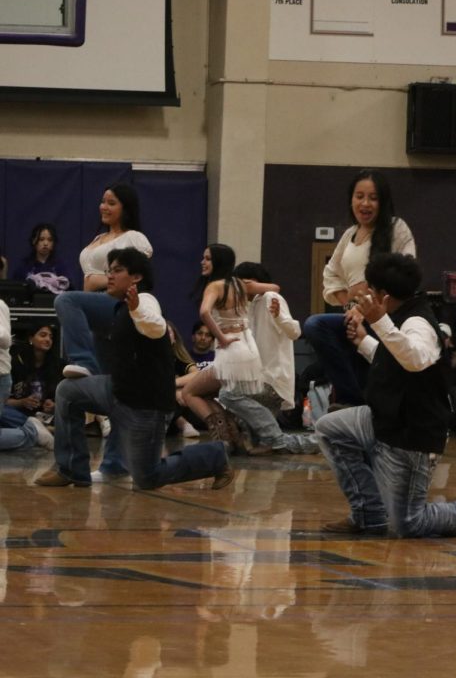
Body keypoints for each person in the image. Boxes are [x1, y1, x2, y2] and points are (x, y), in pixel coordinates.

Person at [317, 253, 456, 537]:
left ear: (382, 294)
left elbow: (415, 359)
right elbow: (397, 360)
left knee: (409, 523)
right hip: (385, 420)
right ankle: (369, 514)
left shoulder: (418, 323)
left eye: (369, 288)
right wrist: (362, 341)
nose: (364, 294)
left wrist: (380, 322)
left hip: (412, 435)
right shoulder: (400, 314)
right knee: (330, 429)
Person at [34, 248, 233, 490]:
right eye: (109, 271)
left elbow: (156, 327)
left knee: (147, 478)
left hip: (145, 407)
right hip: (117, 391)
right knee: (68, 391)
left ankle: (216, 456)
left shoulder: (147, 302)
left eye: (117, 271)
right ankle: (72, 469)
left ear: (136, 277)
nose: (109, 276)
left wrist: (137, 307)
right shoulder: (118, 310)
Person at [303, 170, 416, 408]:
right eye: (359, 196)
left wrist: (364, 310)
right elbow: (331, 273)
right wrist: (350, 306)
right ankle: (352, 399)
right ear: (351, 199)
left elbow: (404, 273)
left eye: (373, 198)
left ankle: (360, 404)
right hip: (354, 316)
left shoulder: (397, 228)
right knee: (315, 326)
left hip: (385, 318)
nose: (365, 203)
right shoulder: (349, 234)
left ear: (383, 201)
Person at [178, 245, 279, 456]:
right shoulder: (240, 285)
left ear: (218, 262)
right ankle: (232, 435)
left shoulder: (215, 286)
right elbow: (274, 287)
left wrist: (221, 337)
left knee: (188, 393)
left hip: (231, 354)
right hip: (248, 353)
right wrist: (251, 284)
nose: (202, 262)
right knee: (205, 394)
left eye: (207, 258)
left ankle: (223, 438)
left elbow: (204, 312)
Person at [55, 184, 153, 379]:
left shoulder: (134, 237)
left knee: (65, 300)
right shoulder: (99, 238)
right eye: (102, 202)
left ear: (125, 208)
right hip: (94, 305)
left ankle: (83, 361)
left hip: (117, 302)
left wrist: (96, 281)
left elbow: (137, 273)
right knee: (100, 374)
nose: (104, 207)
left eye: (111, 203)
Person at [218, 262, 317, 455]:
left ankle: (280, 440)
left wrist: (280, 316)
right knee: (262, 440)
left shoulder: (271, 297)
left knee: (227, 393)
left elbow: (295, 332)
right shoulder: (251, 306)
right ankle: (319, 444)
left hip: (272, 381)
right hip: (260, 380)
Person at [1, 325, 58, 450]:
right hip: (18, 414)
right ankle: (34, 429)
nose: (48, 339)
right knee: (3, 410)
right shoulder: (15, 363)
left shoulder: (57, 365)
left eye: (50, 337)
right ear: (31, 338)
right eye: (43, 335)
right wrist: (21, 402)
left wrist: (53, 405)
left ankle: (34, 430)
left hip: (46, 416)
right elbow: (4, 401)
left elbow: (63, 399)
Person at [14, 223, 71, 294]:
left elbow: (69, 289)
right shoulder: (24, 266)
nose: (46, 243)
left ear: (53, 243)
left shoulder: (60, 266)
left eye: (50, 240)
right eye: (41, 239)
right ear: (33, 241)